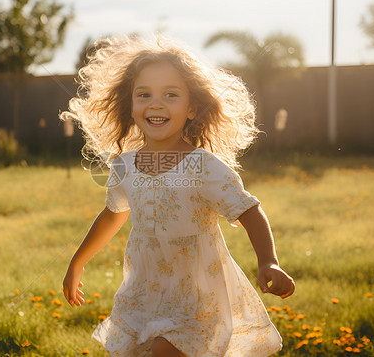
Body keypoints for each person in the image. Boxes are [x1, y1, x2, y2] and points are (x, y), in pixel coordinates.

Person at [61, 35, 295, 357]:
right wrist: (78, 262)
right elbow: (114, 214)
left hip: (196, 294)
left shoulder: (204, 166)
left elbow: (249, 210)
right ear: (130, 106)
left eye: (170, 95)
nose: (155, 104)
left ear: (192, 107)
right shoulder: (125, 166)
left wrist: (268, 261)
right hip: (144, 290)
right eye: (144, 95)